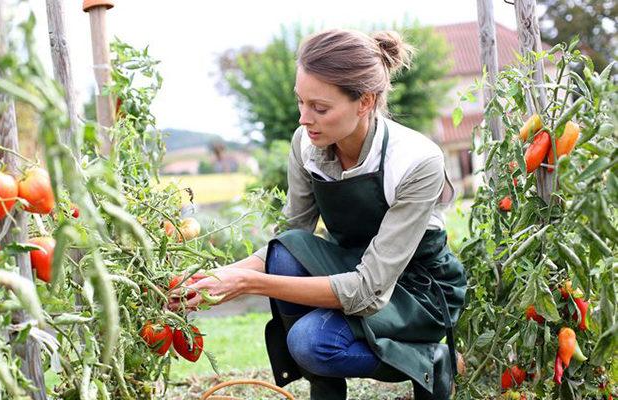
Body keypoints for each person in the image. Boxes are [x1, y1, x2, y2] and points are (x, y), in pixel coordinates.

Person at [168, 28, 467, 400]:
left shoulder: (416, 161)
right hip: (349, 265)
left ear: (365, 102)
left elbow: (368, 290)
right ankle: (325, 393)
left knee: (310, 343)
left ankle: (429, 358)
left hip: (416, 290)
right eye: (301, 103)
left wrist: (246, 285)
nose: (303, 119)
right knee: (286, 248)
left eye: (320, 108)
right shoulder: (307, 146)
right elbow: (290, 242)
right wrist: (217, 276)